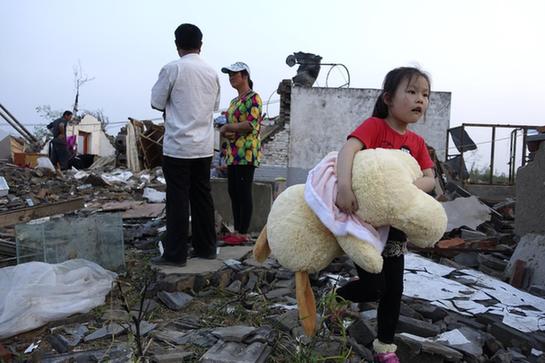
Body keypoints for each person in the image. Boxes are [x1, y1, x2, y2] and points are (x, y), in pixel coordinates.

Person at [335, 67, 436, 363]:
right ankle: (336, 298)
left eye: (425, 95)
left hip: (395, 228)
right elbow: (347, 151)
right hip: (365, 224)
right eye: (413, 91)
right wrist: (344, 186)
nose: (421, 99)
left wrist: (404, 189)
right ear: (389, 99)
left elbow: (430, 178)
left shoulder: (416, 143)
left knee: (394, 291)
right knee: (374, 286)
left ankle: (385, 348)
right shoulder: (375, 127)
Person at [150, 23, 221, 266]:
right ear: (201, 45)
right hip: (203, 147)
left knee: (178, 199)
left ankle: (175, 254)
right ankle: (206, 248)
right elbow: (213, 108)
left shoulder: (172, 68)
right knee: (202, 196)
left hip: (178, 146)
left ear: (177, 44)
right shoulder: (212, 73)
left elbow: (157, 103)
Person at [219, 62, 262, 244]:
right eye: (229, 75)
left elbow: (251, 123)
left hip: (247, 153)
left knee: (244, 192)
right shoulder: (234, 102)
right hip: (233, 152)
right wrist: (226, 131)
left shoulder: (254, 98)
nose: (231, 78)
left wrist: (228, 126)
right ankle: (237, 230)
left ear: (244, 76)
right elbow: (233, 128)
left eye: (234, 74)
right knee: (233, 191)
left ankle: (243, 233)